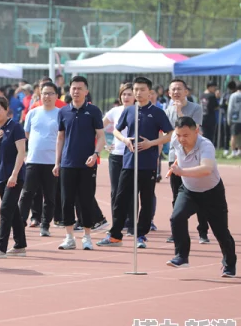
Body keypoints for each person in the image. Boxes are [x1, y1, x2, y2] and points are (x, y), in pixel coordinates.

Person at [98, 77, 173, 249]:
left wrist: (151, 143)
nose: (138, 93)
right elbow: (116, 130)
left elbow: (170, 134)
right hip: (129, 162)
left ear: (149, 92)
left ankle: (141, 234)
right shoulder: (129, 111)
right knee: (120, 198)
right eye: (136, 90)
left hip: (147, 164)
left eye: (142, 90)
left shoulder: (157, 112)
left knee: (146, 200)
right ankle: (115, 235)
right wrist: (125, 140)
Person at [166, 117, 236, 278]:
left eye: (186, 135)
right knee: (176, 217)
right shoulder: (176, 141)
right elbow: (179, 155)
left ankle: (229, 264)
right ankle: (181, 256)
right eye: (179, 135)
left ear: (196, 130)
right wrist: (176, 165)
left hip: (212, 192)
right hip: (189, 191)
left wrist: (182, 172)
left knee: (220, 231)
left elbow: (206, 169)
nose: (182, 139)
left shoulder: (206, 145)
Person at [54, 76, 105, 251]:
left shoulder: (94, 111)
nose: (76, 91)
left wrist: (96, 154)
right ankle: (69, 237)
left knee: (86, 200)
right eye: (73, 88)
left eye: (79, 88)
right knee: (66, 201)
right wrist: (57, 162)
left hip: (87, 164)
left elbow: (101, 137)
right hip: (67, 163)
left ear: (86, 91)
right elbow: (60, 138)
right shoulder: (63, 112)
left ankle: (87, 237)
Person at [165, 79, 209, 243]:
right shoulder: (167, 110)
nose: (176, 92)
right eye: (173, 90)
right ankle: (176, 231)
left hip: (194, 156)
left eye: (179, 89)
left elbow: (193, 130)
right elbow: (168, 134)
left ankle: (203, 231)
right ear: (169, 93)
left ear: (186, 92)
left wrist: (180, 113)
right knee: (176, 195)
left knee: (199, 193)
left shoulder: (195, 108)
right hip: (174, 157)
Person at [0, 96, 27, 258]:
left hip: (15, 176)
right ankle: (20, 245)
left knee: (5, 209)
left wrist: (14, 174)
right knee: (13, 210)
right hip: (0, 175)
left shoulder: (15, 127)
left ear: (6, 109)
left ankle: (0, 248)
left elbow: (21, 152)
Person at [18, 82, 59, 238]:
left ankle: (45, 225)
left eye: (50, 93)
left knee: (49, 196)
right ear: (40, 95)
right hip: (33, 160)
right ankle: (20, 222)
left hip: (52, 161)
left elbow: (63, 137)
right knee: (27, 193)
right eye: (44, 93)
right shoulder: (33, 113)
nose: (47, 96)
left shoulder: (60, 114)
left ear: (56, 95)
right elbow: (26, 134)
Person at [103, 83, 136, 235]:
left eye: (129, 94)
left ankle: (131, 223)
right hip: (116, 156)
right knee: (115, 191)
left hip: (132, 155)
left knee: (131, 191)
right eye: (123, 94)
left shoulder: (138, 111)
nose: (126, 97)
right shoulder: (115, 111)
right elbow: (98, 127)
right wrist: (105, 144)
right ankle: (117, 222)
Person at [226, 81, 241, 158]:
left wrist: (229, 119)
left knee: (233, 136)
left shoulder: (233, 96)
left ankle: (233, 151)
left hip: (235, 119)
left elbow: (230, 108)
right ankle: (239, 151)